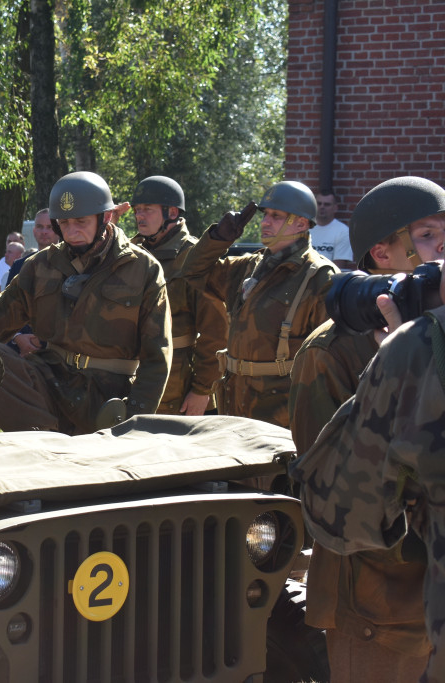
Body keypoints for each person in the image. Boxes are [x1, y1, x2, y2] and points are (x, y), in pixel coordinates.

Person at [288, 177, 445, 682]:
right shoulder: (330, 351)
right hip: (378, 601)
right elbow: (331, 490)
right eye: (427, 235)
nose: (443, 249)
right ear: (381, 253)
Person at [0, 171, 171, 434]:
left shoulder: (142, 268)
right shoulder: (41, 266)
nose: (72, 231)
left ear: (106, 217)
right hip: (49, 380)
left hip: (109, 393)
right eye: (64, 223)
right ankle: (41, 445)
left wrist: (135, 421)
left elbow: (157, 356)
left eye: (81, 221)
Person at [177, 181, 337, 429]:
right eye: (265, 216)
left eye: (276, 216)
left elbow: (331, 361)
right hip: (235, 404)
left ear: (301, 223)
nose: (265, 222)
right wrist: (218, 239)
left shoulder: (319, 278)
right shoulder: (250, 267)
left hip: (281, 414)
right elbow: (193, 273)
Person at [131, 176, 226, 415]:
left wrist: (202, 390)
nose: (140, 216)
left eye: (148, 210)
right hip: (135, 380)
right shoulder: (132, 254)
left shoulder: (195, 257)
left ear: (171, 212)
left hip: (180, 389)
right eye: (137, 210)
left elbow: (216, 332)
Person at [7, 208, 59, 285]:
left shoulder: (70, 263)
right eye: (40, 227)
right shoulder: (19, 266)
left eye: (49, 227)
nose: (44, 232)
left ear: (59, 230)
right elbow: (9, 296)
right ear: (34, 231)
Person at [312, 189, 354, 269]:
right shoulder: (304, 227)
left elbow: (337, 268)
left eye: (327, 204)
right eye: (319, 203)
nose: (322, 207)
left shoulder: (343, 232)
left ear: (335, 208)